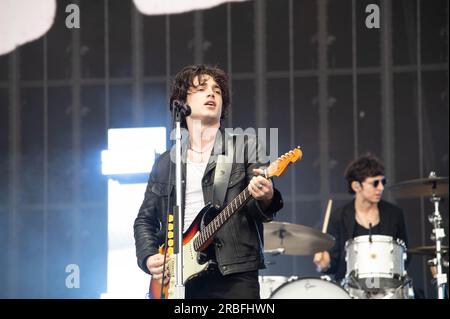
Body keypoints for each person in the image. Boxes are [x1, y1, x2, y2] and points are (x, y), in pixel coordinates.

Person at [134, 64, 284, 299]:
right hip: (178, 277)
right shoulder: (165, 163)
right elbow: (144, 220)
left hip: (233, 274)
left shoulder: (245, 147)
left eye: (217, 90)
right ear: (182, 101)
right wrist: (148, 256)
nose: (212, 93)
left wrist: (266, 197)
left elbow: (257, 210)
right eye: (202, 88)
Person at [313, 154, 409, 285]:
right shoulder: (339, 217)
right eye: (375, 183)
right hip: (350, 289)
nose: (381, 187)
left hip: (388, 288)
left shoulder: (394, 214)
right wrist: (324, 264)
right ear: (356, 186)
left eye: (383, 182)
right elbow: (333, 264)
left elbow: (404, 255)